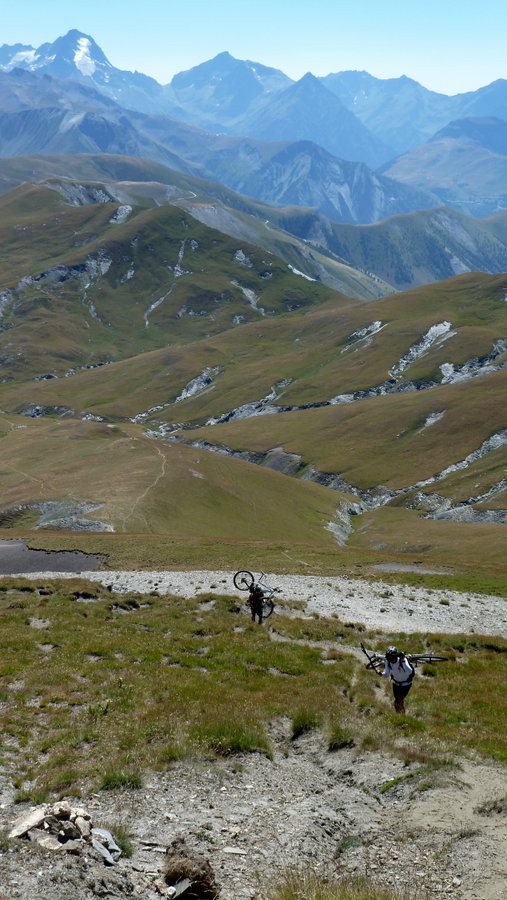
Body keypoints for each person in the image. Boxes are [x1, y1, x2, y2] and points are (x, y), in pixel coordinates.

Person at [378, 646, 415, 713]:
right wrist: (381, 674)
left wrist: (403, 659)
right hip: (396, 684)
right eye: (390, 658)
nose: (392, 660)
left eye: (393, 658)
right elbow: (386, 674)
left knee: (399, 701)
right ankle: (399, 716)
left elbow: (410, 671)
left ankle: (402, 716)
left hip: (406, 684)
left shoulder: (402, 660)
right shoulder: (388, 662)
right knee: (396, 702)